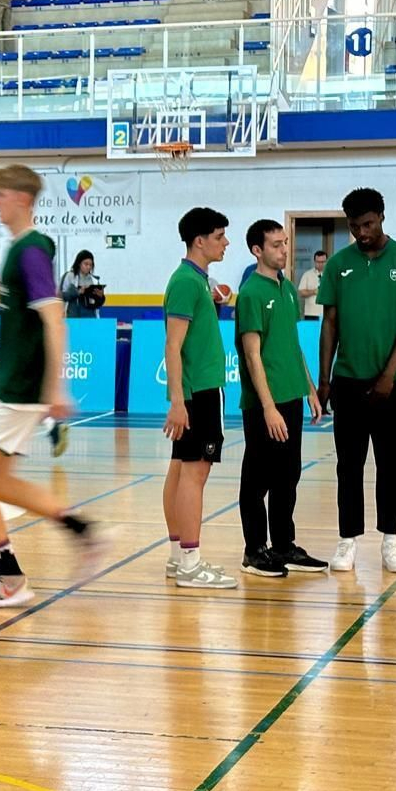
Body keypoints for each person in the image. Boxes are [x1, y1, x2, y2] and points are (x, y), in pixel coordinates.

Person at [0, 164, 106, 608]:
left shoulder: (32, 250)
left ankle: (10, 578)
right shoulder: (19, 251)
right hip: (13, 386)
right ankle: (81, 530)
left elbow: (53, 319)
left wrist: (54, 388)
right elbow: (19, 328)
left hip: (24, 390)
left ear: (20, 197)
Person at [317, 188, 396, 575]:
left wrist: (388, 375)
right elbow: (330, 323)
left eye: (367, 224)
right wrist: (324, 379)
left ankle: (391, 541)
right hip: (348, 381)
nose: (361, 232)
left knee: (390, 464)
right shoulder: (338, 265)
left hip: (394, 383)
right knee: (348, 466)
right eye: (354, 226)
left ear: (382, 217)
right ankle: (347, 541)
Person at [235, 220, 327, 578]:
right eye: (275, 245)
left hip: (291, 397)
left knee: (288, 476)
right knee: (257, 480)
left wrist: (309, 389)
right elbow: (253, 355)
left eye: (285, 243)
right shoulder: (252, 293)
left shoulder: (288, 288)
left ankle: (284, 545)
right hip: (264, 404)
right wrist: (269, 406)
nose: (284, 250)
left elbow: (292, 343)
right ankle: (254, 551)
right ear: (257, 250)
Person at [161, 207, 236, 589]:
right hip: (200, 391)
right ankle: (191, 563)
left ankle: (178, 558)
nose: (225, 243)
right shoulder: (187, 283)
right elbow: (173, 346)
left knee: (180, 470)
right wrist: (178, 400)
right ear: (200, 240)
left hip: (196, 390)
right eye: (220, 237)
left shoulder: (194, 281)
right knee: (195, 474)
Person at [60, 250, 105, 318]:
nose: (88, 267)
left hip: (90, 317)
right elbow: (61, 296)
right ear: (79, 263)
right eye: (86, 264)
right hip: (73, 318)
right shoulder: (69, 276)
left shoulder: (94, 279)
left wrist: (100, 297)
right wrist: (78, 292)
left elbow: (97, 304)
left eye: (91, 265)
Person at [299, 247, 327, 319]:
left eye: (323, 262)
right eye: (318, 262)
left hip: (327, 313)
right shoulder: (307, 275)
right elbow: (301, 292)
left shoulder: (331, 275)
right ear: (314, 261)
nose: (320, 264)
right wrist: (314, 291)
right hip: (311, 313)